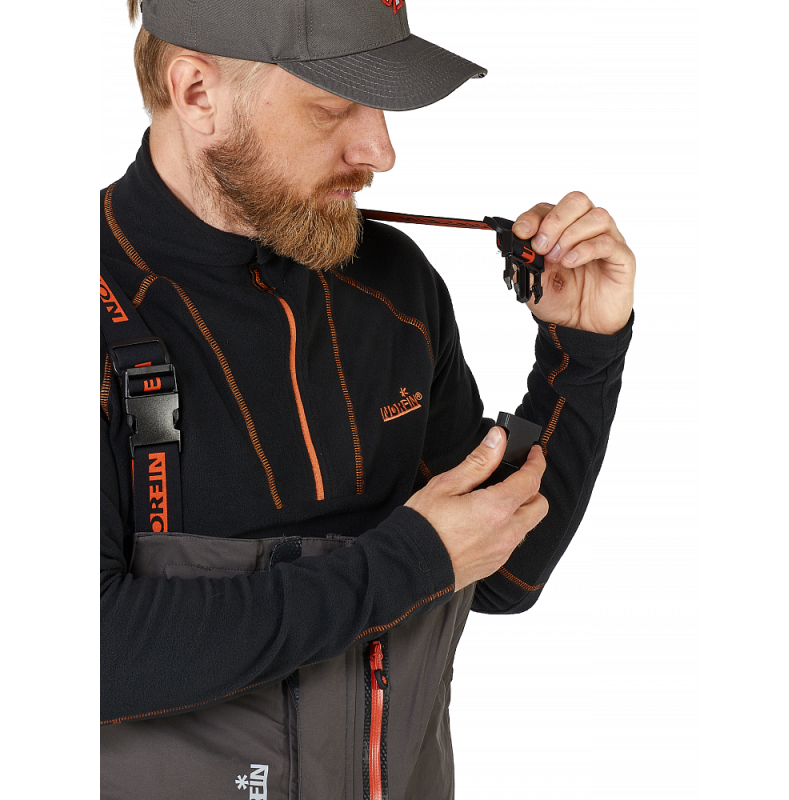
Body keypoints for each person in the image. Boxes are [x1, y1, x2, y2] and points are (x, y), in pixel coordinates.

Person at [100, 1, 636, 798]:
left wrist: (582, 353)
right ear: (197, 93)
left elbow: (502, 574)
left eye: (380, 103)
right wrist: (410, 561)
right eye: (332, 106)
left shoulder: (394, 287)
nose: (380, 151)